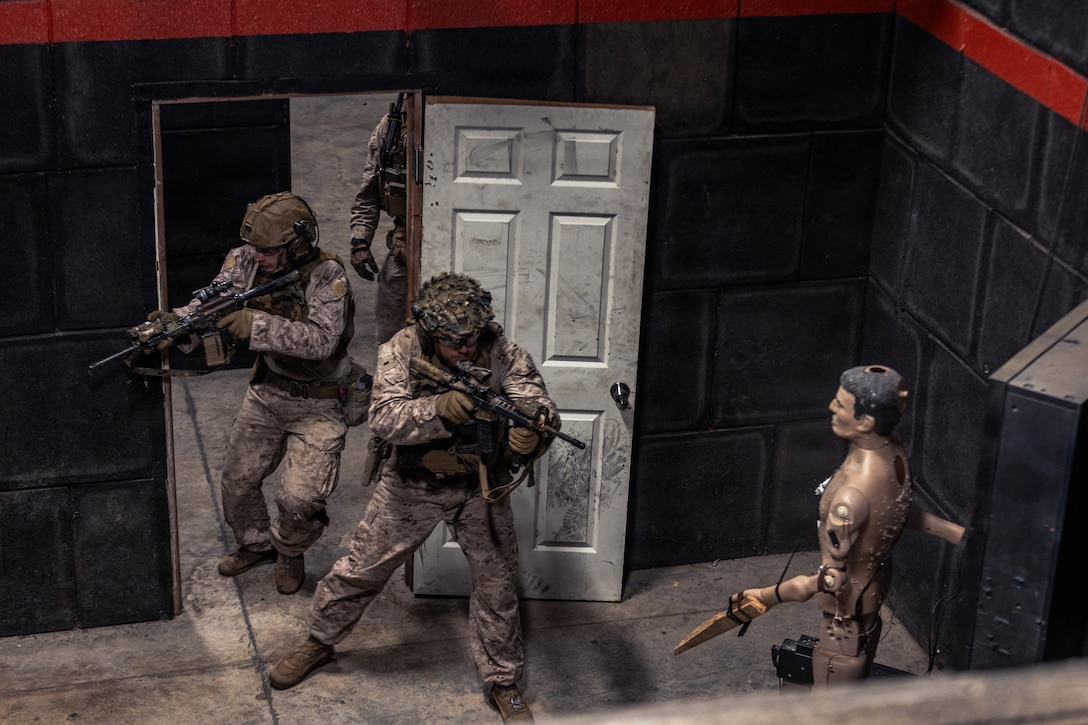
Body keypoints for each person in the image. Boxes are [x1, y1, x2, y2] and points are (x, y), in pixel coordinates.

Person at [269, 272, 557, 722]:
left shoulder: (504, 353)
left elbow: (536, 402)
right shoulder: (400, 350)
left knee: (497, 586)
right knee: (360, 569)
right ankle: (319, 641)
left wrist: (533, 430)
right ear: (428, 331)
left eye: (470, 339)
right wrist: (438, 409)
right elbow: (383, 418)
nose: (464, 349)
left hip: (479, 487)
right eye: (451, 341)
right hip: (412, 484)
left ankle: (503, 680)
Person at [156, 192, 356, 596]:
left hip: (319, 403)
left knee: (299, 499)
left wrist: (254, 324)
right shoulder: (245, 258)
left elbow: (322, 342)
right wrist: (177, 322)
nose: (256, 257)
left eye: (267, 250)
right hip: (268, 392)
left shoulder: (328, 276)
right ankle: (257, 544)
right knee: (236, 481)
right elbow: (212, 297)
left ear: (295, 243)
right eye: (254, 249)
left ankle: (289, 550)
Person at [732, 365, 912, 685]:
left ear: (865, 422)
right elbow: (896, 511)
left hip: (842, 624)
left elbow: (829, 580)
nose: (831, 407)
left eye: (840, 404)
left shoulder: (851, 496)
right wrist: (958, 534)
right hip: (873, 594)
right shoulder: (893, 453)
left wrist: (765, 595)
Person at [349, 93, 410, 345]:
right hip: (406, 240)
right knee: (391, 333)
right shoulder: (391, 127)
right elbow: (369, 192)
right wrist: (360, 242)